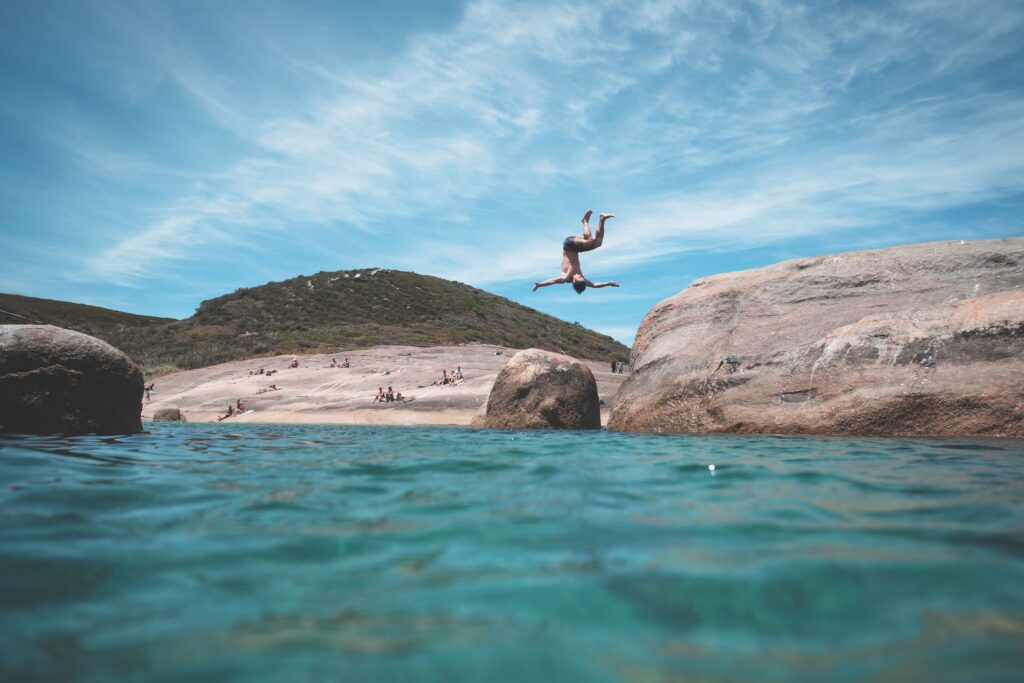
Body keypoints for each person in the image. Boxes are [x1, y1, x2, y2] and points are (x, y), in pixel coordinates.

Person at [533, 210, 620, 294]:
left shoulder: (565, 277)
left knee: (589, 241)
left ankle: (585, 221)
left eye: (579, 277)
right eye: (582, 277)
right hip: (577, 249)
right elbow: (594, 285)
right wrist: (608, 283)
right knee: (598, 243)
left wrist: (540, 285)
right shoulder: (582, 280)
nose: (581, 275)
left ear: (574, 281)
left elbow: (553, 281)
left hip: (568, 245)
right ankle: (602, 219)